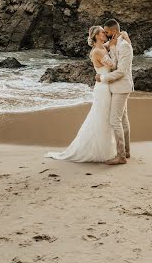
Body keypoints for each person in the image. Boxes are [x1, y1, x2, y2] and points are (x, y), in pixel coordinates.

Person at [44, 24, 132, 164]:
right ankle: (99, 150)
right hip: (103, 88)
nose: (106, 34)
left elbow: (116, 40)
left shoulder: (104, 46)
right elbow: (114, 67)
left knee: (110, 119)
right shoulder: (98, 51)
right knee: (102, 118)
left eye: (106, 32)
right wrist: (114, 47)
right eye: (103, 33)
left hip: (108, 85)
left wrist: (124, 35)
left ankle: (120, 151)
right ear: (97, 36)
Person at [96, 19, 134, 165]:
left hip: (122, 86)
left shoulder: (124, 46)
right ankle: (127, 151)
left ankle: (121, 156)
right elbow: (98, 47)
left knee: (114, 120)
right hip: (118, 87)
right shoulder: (115, 43)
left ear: (113, 32)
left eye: (106, 31)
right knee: (123, 119)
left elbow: (121, 72)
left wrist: (103, 78)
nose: (105, 34)